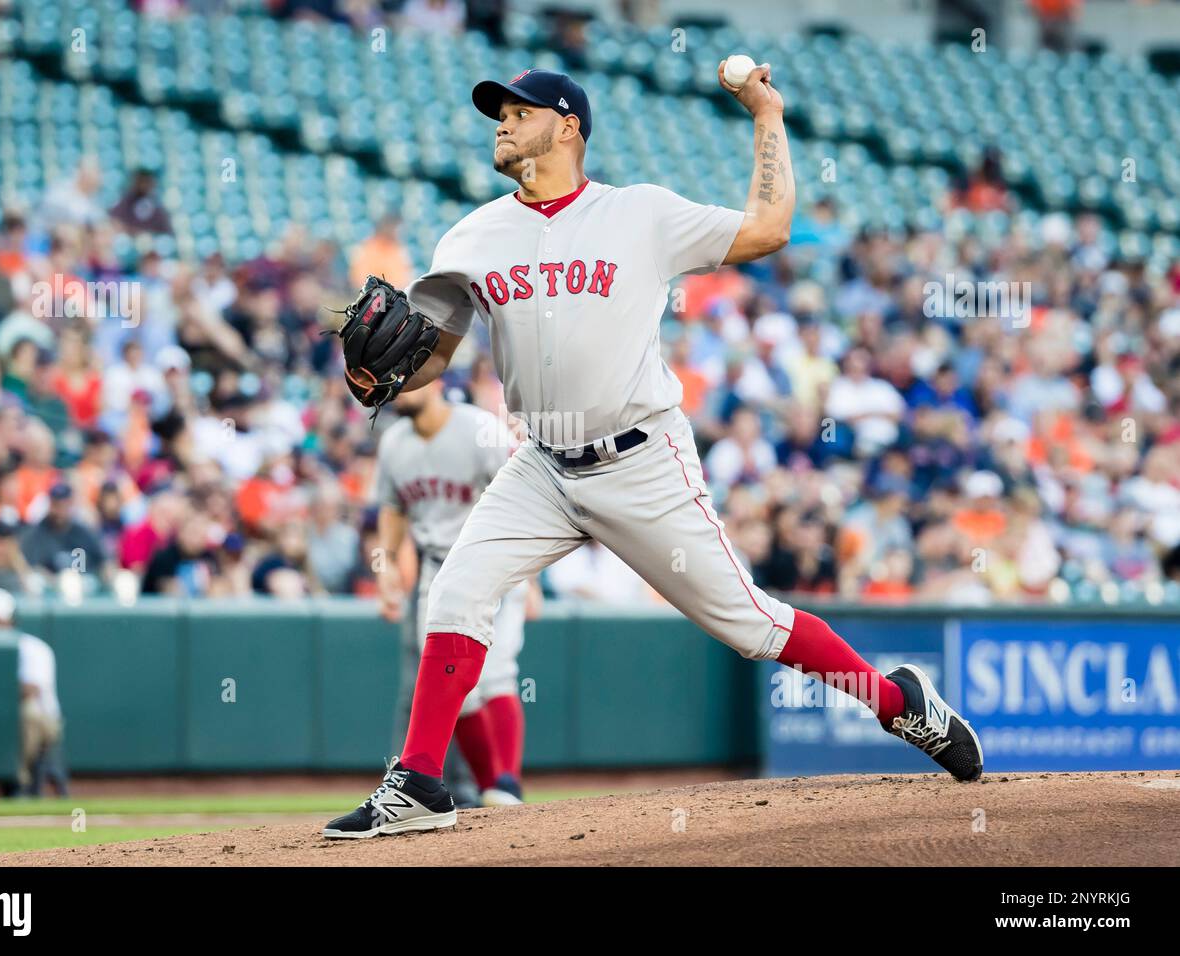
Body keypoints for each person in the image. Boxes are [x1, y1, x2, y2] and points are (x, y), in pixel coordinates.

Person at [325, 64, 983, 839]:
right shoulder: (471, 237)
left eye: (517, 111)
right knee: (457, 589)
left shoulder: (639, 214)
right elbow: (432, 354)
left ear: (567, 125)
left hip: (640, 459)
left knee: (753, 626)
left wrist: (766, 114)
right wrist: (387, 371)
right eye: (496, 113)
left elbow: (768, 228)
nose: (500, 123)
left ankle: (902, 703)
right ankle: (419, 784)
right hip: (540, 464)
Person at [374, 381, 531, 808]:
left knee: (497, 674)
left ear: (438, 379)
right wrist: (385, 563)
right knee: (456, 691)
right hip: (436, 570)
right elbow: (391, 509)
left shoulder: (480, 430)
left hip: (495, 559)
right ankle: (491, 791)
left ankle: (508, 786)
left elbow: (528, 497)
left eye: (407, 378)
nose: (397, 388)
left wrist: (532, 575)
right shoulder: (393, 443)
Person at [0, 588, 68, 797]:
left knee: (28, 713)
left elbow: (29, 691)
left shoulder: (32, 648)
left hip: (43, 721)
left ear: (11, 621)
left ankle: (18, 783)